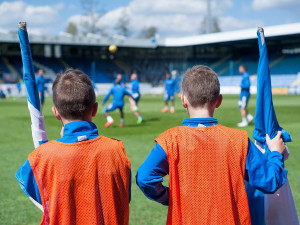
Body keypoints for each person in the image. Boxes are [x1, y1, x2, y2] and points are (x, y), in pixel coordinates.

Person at [136, 65, 287, 224]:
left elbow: (145, 178)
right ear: (219, 101)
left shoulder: (169, 140)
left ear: (183, 100)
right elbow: (271, 181)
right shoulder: (238, 139)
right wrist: (276, 153)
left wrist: (171, 198)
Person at [15, 69, 131, 225]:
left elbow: (40, 196)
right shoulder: (118, 150)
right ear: (95, 109)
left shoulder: (42, 156)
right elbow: (124, 197)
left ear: (56, 113)